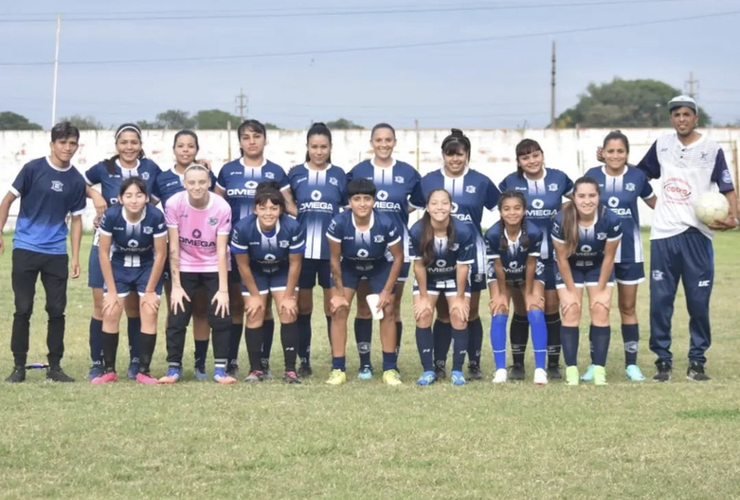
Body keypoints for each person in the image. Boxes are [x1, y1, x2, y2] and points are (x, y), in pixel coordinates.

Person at [634, 95, 738, 381]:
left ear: (696, 118)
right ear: (671, 118)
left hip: (698, 235)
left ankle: (697, 361)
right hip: (664, 235)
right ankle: (662, 361)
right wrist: (655, 202)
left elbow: (728, 187)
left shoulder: (712, 149)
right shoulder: (662, 146)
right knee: (660, 301)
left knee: (698, 302)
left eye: (686, 114)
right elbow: (639, 176)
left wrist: (734, 216)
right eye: (676, 114)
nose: (681, 119)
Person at [410, 129, 500, 381]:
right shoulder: (428, 181)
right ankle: (437, 365)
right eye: (450, 154)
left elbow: (503, 208)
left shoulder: (481, 181)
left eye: (460, 154)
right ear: (443, 155)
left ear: (467, 155)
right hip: (434, 255)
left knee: (468, 311)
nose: (455, 159)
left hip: (471, 255)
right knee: (440, 312)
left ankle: (473, 364)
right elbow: (411, 207)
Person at [0, 122, 87, 383]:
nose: (67, 148)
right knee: (23, 308)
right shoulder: (33, 169)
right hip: (25, 249)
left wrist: (74, 256)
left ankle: (55, 367)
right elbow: (7, 200)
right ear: (52, 144)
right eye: (62, 142)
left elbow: (77, 219)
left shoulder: (75, 179)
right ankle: (18, 367)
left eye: (72, 143)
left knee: (56, 310)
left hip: (56, 254)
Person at [215, 119, 295, 378]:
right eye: (246, 137)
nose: (252, 141)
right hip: (236, 249)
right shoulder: (228, 171)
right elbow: (216, 205)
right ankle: (232, 360)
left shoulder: (276, 171)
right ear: (239, 142)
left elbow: (290, 206)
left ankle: (262, 362)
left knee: (267, 306)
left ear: (265, 140)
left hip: (269, 251)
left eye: (257, 136)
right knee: (241, 306)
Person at [83, 123, 162, 380]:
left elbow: (170, 185)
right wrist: (95, 196)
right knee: (104, 304)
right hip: (106, 247)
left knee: (137, 308)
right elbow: (78, 182)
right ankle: (100, 363)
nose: (129, 147)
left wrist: (200, 164)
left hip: (141, 249)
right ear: (116, 145)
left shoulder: (150, 169)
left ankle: (137, 363)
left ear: (140, 145)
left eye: (134, 142)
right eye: (124, 142)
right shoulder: (104, 168)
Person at [346, 123, 420, 379]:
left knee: (392, 307)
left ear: (395, 142)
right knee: (365, 307)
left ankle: (392, 362)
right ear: (371, 142)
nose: (384, 144)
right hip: (364, 248)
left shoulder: (408, 173)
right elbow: (349, 202)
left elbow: (417, 203)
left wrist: (396, 217)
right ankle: (365, 363)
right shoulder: (359, 170)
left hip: (398, 249)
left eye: (388, 139)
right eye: (379, 140)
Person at [498, 139, 574, 380]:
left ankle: (553, 364)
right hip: (519, 257)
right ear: (519, 161)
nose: (531, 161)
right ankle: (518, 365)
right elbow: (505, 210)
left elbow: (579, 200)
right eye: (525, 157)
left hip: (552, 256)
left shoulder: (559, 178)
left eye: (535, 155)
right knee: (522, 309)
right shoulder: (511, 182)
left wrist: (564, 214)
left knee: (550, 309)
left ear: (542, 155)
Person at [584, 130, 656, 382]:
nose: (615, 155)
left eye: (620, 151)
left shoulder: (637, 176)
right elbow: (578, 204)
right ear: (602, 152)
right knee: (598, 308)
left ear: (627, 154)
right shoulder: (591, 175)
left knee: (627, 307)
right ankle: (595, 364)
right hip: (597, 251)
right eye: (611, 151)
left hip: (629, 252)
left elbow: (656, 203)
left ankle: (632, 365)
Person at [160, 164, 235, 384]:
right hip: (184, 265)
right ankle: (174, 368)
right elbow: (173, 246)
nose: (197, 187)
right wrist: (176, 286)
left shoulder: (221, 207)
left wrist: (223, 290)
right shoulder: (174, 203)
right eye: (191, 182)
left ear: (209, 183)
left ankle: (220, 369)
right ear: (184, 183)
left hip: (214, 265)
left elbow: (222, 250)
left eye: (202, 182)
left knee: (220, 315)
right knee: (177, 316)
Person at [325, 179, 404, 386]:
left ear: (374, 201)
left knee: (387, 310)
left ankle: (389, 369)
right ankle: (338, 368)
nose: (362, 204)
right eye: (357, 199)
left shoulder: (385, 222)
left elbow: (398, 258)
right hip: (348, 266)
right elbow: (334, 260)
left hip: (379, 265)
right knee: (339, 310)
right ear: (349, 202)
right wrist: (340, 293)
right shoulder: (339, 222)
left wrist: (387, 292)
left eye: (367, 199)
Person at [152, 129, 217, 380]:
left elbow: (216, 208)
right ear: (174, 149)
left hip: (205, 256)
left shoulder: (206, 175)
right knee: (176, 307)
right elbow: (151, 208)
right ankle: (174, 364)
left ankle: (200, 363)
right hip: (177, 254)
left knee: (201, 310)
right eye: (181, 146)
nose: (185, 150)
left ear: (197, 150)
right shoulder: (163, 178)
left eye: (190, 146)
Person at [92, 178, 167, 384]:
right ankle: (109, 370)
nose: (134, 200)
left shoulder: (155, 216)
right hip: (119, 267)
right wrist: (113, 291)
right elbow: (104, 252)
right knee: (110, 310)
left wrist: (150, 290)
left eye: (139, 195)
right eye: (129, 195)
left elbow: (160, 255)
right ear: (120, 198)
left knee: (149, 310)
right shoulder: (111, 215)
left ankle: (144, 370)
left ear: (146, 198)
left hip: (147, 267)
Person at [287, 122, 347, 377]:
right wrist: (297, 213)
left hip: (330, 254)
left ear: (330, 147)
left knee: (332, 308)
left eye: (323, 147)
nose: (319, 151)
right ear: (307, 147)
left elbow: (348, 208)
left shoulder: (340, 175)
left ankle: (337, 362)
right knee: (303, 308)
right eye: (314, 146)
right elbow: (284, 201)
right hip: (301, 253)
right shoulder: (296, 174)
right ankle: (304, 360)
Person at [550, 177, 622, 386]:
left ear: (599, 197)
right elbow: (561, 258)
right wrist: (571, 290)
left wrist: (601, 289)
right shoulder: (561, 220)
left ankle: (599, 370)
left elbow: (609, 257)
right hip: (570, 267)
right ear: (573, 197)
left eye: (592, 195)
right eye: (581, 196)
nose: (587, 201)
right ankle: (572, 370)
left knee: (600, 308)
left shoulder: (611, 219)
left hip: (597, 267)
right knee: (571, 308)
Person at [231, 182, 305, 383]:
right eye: (263, 208)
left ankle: (290, 370)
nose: (268, 213)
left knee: (288, 311)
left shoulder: (292, 226)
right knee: (255, 312)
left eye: (273, 208)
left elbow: (295, 264)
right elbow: (243, 266)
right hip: (256, 272)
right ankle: (256, 370)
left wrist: (289, 297)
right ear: (255, 209)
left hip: (281, 271)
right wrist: (255, 296)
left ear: (281, 209)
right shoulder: (243, 228)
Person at [408, 189, 476, 386]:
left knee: (459, 314)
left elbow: (463, 267)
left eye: (444, 203)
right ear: (427, 207)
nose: (440, 207)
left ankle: (456, 370)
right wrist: (422, 297)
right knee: (423, 314)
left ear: (451, 206)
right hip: (428, 280)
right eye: (435, 203)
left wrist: (461, 298)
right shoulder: (417, 231)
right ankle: (428, 370)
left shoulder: (462, 231)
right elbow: (419, 265)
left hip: (454, 279)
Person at [484, 191, 548, 385]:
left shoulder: (534, 232)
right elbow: (497, 267)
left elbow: (531, 264)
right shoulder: (493, 234)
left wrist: (529, 293)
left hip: (529, 272)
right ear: (501, 212)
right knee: (499, 309)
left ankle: (540, 369)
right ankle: (501, 369)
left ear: (524, 210)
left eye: (517, 208)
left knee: (535, 310)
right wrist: (502, 294)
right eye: (507, 209)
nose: (512, 213)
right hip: (501, 273)